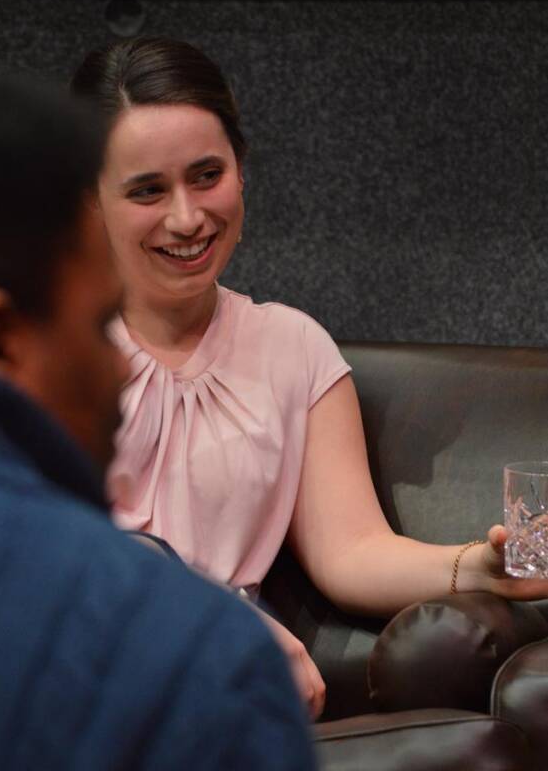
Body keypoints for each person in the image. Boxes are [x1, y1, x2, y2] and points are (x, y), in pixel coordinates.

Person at [70, 35, 548, 719]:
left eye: (207, 175)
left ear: (242, 170)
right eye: (147, 191)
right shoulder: (41, 341)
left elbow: (350, 551)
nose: (186, 217)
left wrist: (478, 568)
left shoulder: (290, 344)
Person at [0, 54, 317, 770]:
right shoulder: (199, 667)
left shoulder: (290, 340)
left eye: (206, 174)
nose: (119, 366)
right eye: (97, 322)